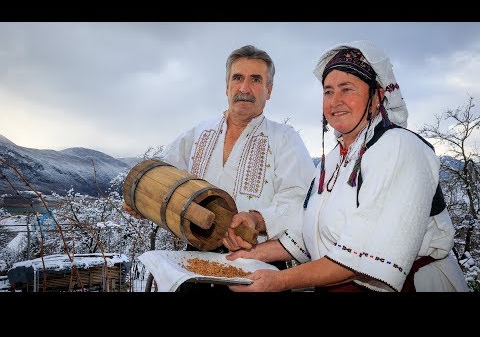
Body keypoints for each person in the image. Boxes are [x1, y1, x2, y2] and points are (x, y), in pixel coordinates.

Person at [226, 40, 469, 292]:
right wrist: (248, 256)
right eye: (328, 91)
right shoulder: (333, 161)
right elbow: (309, 234)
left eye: (347, 89)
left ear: (377, 96)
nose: (335, 101)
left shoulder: (400, 148)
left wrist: (278, 280)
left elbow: (362, 257)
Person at [124, 44, 316, 291]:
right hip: (196, 261)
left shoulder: (284, 138)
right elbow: (163, 177)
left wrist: (257, 219)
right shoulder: (198, 133)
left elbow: (302, 201)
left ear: (269, 90)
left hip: (259, 268)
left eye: (256, 80)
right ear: (227, 86)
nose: (244, 88)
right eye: (238, 78)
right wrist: (143, 201)